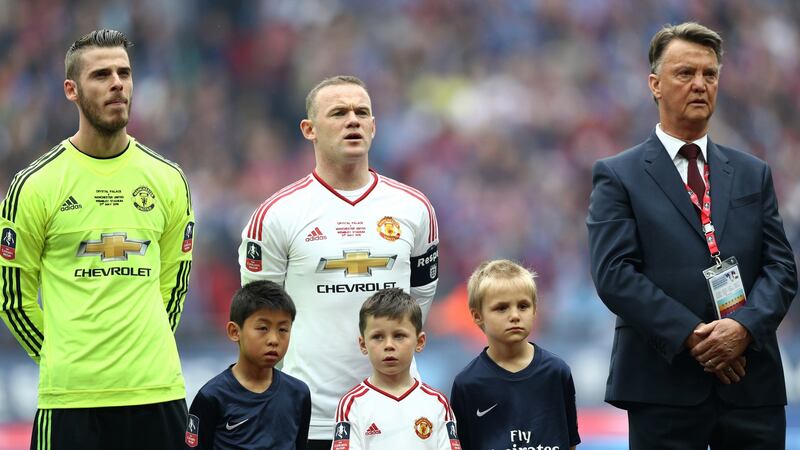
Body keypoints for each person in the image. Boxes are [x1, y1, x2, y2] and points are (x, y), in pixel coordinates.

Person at [586, 22, 797, 449]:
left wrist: (742, 329)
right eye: (685, 73)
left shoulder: (753, 172)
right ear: (655, 85)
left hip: (751, 381)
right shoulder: (618, 175)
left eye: (710, 74)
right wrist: (693, 336)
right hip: (663, 385)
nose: (700, 84)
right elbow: (614, 274)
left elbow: (782, 268)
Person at [0, 29, 195, 449]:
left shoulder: (168, 180)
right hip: (71, 400)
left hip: (156, 391)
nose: (117, 84)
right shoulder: (35, 185)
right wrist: (60, 354)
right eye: (101, 75)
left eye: (124, 73)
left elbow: (174, 284)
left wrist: (143, 348)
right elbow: (13, 296)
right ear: (71, 90)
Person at [238, 75, 439, 449]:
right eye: (339, 113)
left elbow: (420, 297)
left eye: (362, 112)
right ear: (308, 129)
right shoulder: (277, 215)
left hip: (399, 413)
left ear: (374, 127)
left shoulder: (414, 208)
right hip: (310, 417)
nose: (353, 120)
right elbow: (260, 312)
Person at [450, 260, 579, 450]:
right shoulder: (467, 383)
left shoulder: (557, 372)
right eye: (502, 308)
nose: (515, 315)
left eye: (523, 306)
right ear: (478, 316)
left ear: (535, 309)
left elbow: (569, 442)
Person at [186, 280, 311, 449]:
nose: (274, 340)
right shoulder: (212, 397)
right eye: (262, 328)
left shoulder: (298, 393)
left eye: (283, 329)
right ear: (234, 332)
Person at [332, 288, 460, 450]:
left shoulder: (437, 404)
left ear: (419, 341)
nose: (389, 345)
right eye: (378, 337)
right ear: (363, 344)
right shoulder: (352, 405)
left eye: (399, 335)